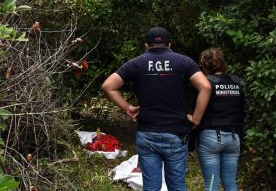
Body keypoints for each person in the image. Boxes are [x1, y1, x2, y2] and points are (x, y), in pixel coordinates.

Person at [102, 27, 211, 191]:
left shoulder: (136, 63)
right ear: (170, 44)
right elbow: (206, 87)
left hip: (147, 134)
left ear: (146, 45)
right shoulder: (184, 62)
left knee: (151, 186)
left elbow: (108, 86)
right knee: (177, 185)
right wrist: (196, 119)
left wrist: (128, 107)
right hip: (176, 133)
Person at [187, 47, 246, 191]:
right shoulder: (237, 82)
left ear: (204, 64)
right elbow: (243, 110)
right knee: (231, 183)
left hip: (210, 137)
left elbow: (197, 115)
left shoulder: (205, 84)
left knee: (212, 184)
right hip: (233, 137)